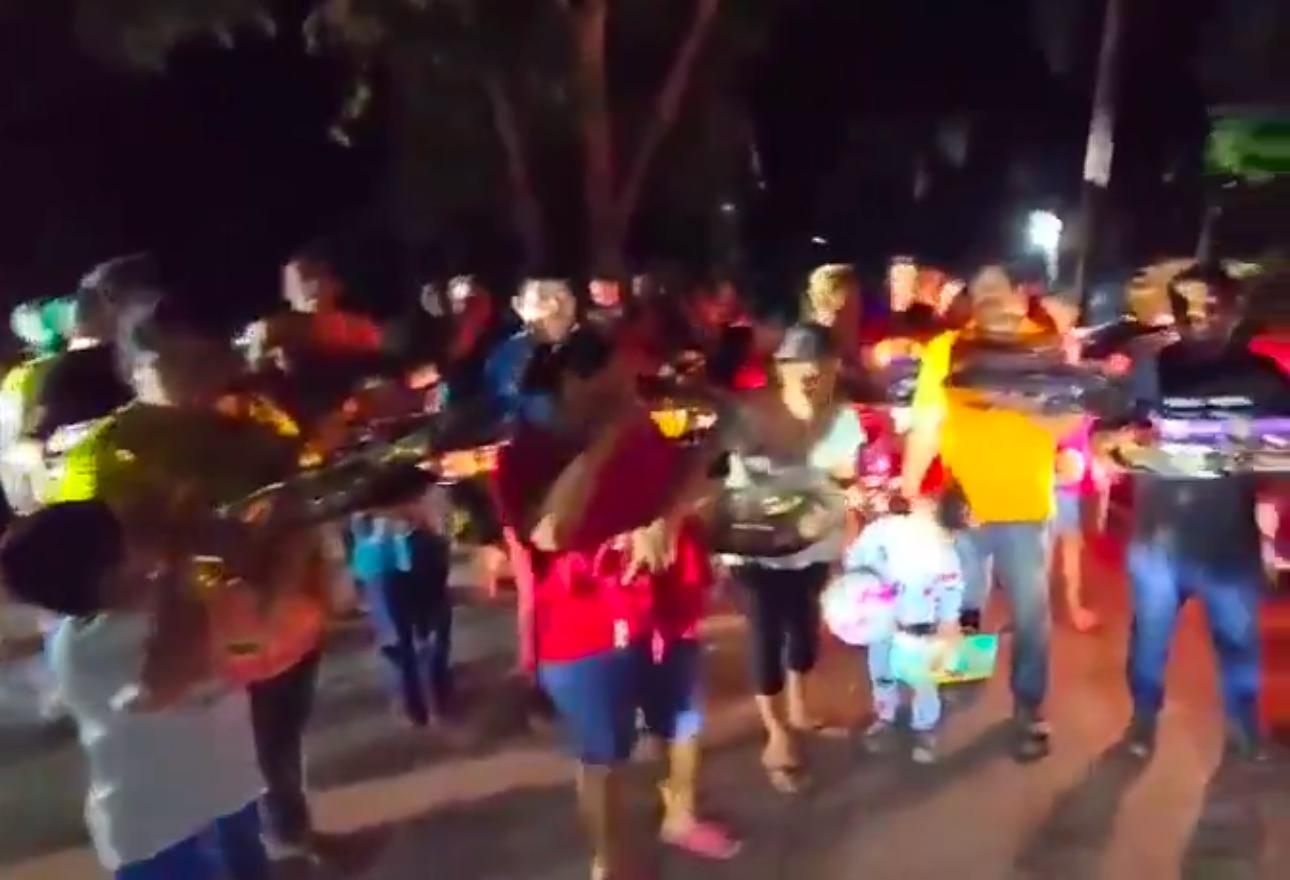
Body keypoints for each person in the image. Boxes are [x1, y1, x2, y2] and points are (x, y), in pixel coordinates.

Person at [53, 301, 329, 858]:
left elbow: (301, 503)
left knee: (276, 742)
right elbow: (92, 553)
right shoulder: (104, 454)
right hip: (188, 637)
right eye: (176, 361)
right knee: (207, 763)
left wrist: (286, 580)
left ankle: (287, 834)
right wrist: (197, 541)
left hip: (281, 622)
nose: (199, 375)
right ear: (134, 368)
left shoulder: (258, 427)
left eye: (207, 358)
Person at [495, 327, 738, 880]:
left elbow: (687, 475)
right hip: (585, 626)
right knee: (604, 752)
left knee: (682, 721)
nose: (631, 388)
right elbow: (550, 532)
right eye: (617, 379)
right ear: (574, 381)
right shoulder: (523, 453)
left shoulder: (641, 424)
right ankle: (609, 863)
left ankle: (681, 815)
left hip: (666, 606)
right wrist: (604, 441)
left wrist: (666, 520)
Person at [1, 501, 270, 880]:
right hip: (162, 834)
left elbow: (244, 630)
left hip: (221, 797)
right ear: (107, 574)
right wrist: (179, 564)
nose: (149, 552)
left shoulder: (141, 613)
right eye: (132, 543)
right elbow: (168, 673)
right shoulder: (90, 643)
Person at [900, 262, 1081, 762]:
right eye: (980, 297)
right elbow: (927, 424)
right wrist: (909, 489)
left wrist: (1019, 399)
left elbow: (1069, 423)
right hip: (964, 509)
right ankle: (951, 699)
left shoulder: (1043, 347)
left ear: (1019, 298)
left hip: (1027, 506)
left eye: (999, 295)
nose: (990, 305)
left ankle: (1028, 709)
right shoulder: (947, 349)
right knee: (962, 609)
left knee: (1030, 614)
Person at [1111, 264, 1290, 760]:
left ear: (1234, 311)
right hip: (1158, 542)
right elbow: (1111, 435)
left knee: (1239, 644)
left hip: (1229, 542)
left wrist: (1269, 514)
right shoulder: (1151, 369)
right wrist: (1124, 442)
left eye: (1211, 305)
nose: (1197, 318)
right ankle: (1142, 722)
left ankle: (1244, 731)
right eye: (1184, 307)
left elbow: (1284, 455)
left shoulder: (1265, 379)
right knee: (1148, 645)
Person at [723, 323, 864, 791]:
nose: (809, 377)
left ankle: (800, 709)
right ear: (780, 370)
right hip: (755, 549)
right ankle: (777, 734)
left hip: (813, 546)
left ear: (835, 369)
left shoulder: (843, 420)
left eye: (820, 367)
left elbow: (844, 478)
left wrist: (849, 516)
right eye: (798, 367)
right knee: (766, 633)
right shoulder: (754, 415)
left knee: (803, 629)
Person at [846, 494, 966, 764]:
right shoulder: (882, 532)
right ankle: (886, 716)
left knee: (923, 678)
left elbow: (951, 585)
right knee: (881, 670)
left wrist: (948, 620)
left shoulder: (941, 547)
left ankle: (925, 725)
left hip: (920, 624)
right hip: (881, 620)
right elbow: (854, 561)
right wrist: (858, 594)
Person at [348, 469, 455, 727]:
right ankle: (433, 700)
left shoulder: (364, 521)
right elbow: (438, 544)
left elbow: (363, 565)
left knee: (403, 643)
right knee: (428, 637)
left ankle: (416, 705)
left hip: (388, 580)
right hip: (411, 577)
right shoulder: (410, 515)